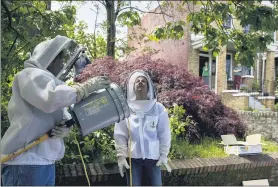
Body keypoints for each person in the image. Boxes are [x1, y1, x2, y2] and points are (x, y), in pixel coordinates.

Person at [1, 35, 111, 186]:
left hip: (44, 161)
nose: (62, 64)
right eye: (61, 59)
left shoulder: (51, 81)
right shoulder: (29, 75)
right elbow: (50, 99)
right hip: (24, 159)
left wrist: (66, 127)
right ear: (50, 58)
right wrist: (83, 89)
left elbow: (62, 111)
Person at [114, 70, 171, 186]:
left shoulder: (158, 108)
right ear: (132, 87)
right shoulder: (126, 109)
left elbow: (164, 133)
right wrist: (121, 156)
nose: (140, 82)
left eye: (143, 81)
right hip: (133, 159)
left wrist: (164, 154)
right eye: (137, 81)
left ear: (148, 86)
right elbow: (120, 134)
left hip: (154, 158)